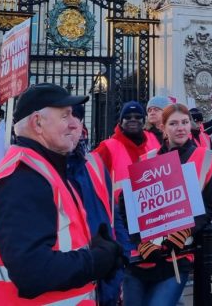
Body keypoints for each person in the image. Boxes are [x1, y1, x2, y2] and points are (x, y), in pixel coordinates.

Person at [0, 83, 124, 304]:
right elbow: (32, 272)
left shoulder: (45, 170)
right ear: (37, 122)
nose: (75, 124)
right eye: (65, 116)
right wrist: (97, 260)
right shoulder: (23, 177)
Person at [120, 103, 212, 306]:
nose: (181, 127)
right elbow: (128, 204)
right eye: (173, 123)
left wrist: (186, 230)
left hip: (178, 254)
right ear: (163, 128)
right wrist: (140, 240)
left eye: (184, 122)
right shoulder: (147, 159)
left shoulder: (206, 158)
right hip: (143, 256)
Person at [67, 104, 121, 306]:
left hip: (104, 273)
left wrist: (119, 261)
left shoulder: (95, 162)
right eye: (65, 117)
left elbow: (113, 214)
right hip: (72, 274)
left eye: (77, 118)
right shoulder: (44, 168)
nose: (71, 124)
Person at [95, 101, 161, 202]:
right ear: (121, 122)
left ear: (144, 121)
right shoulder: (107, 147)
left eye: (138, 117)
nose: (133, 120)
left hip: (153, 208)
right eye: (128, 117)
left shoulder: (153, 140)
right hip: (120, 213)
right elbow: (92, 180)